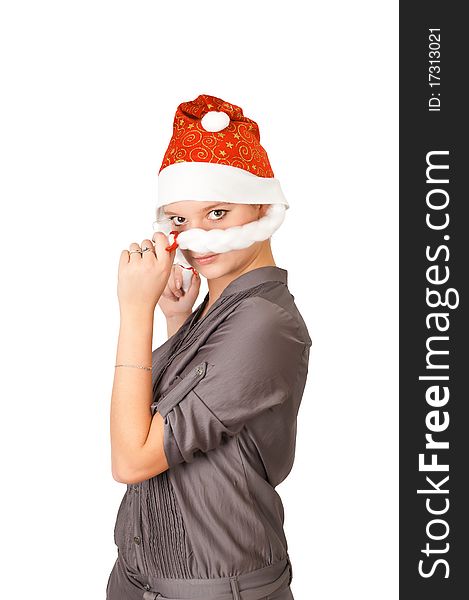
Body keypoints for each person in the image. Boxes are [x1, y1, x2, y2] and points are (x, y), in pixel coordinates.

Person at [107, 94, 312, 600]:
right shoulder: (218, 309)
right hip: (138, 578)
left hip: (214, 590)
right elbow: (182, 414)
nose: (196, 236)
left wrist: (133, 312)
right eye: (178, 220)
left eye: (218, 212)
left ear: (264, 205)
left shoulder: (263, 322)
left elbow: (131, 459)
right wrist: (177, 322)